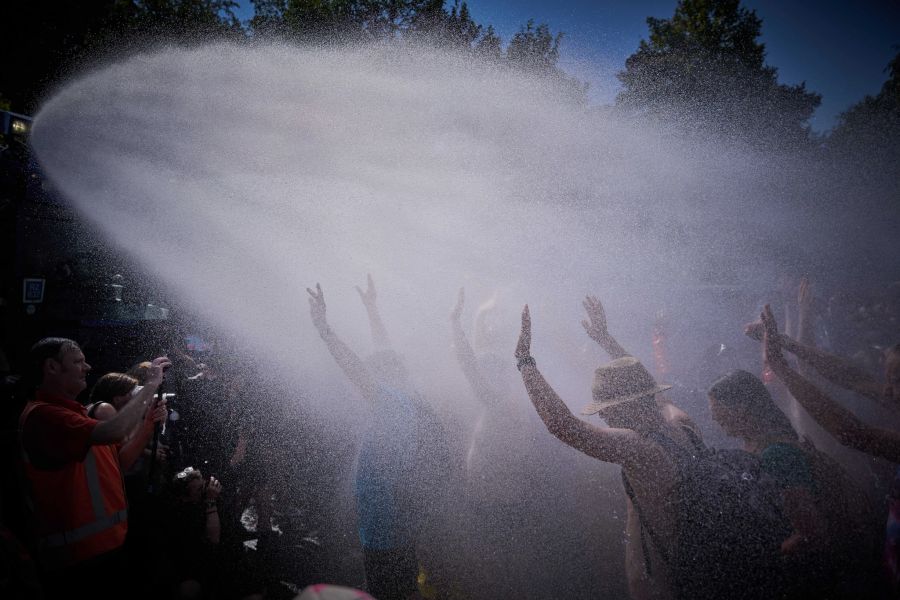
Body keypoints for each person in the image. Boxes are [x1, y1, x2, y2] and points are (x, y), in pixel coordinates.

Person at [516, 302, 699, 600]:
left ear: (625, 406)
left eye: (606, 410)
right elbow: (646, 385)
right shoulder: (680, 422)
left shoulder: (640, 448)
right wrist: (605, 339)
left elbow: (564, 426)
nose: (604, 418)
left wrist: (524, 361)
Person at [307, 277, 444, 600]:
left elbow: (357, 370)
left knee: (392, 592)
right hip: (395, 526)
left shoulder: (390, 404)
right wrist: (372, 309)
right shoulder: (406, 397)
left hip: (386, 534)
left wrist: (324, 329)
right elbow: (385, 353)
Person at [17, 337, 170, 599]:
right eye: (77, 361)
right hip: (78, 564)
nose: (87, 367)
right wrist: (150, 387)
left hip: (104, 551)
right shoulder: (43, 415)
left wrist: (148, 426)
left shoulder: (75, 414)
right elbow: (115, 430)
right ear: (51, 367)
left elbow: (118, 465)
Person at [162, 465, 224, 599]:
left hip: (208, 560)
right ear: (184, 498)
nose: (206, 491)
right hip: (188, 567)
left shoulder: (200, 502)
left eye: (204, 486)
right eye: (199, 490)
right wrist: (211, 502)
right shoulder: (182, 515)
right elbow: (214, 540)